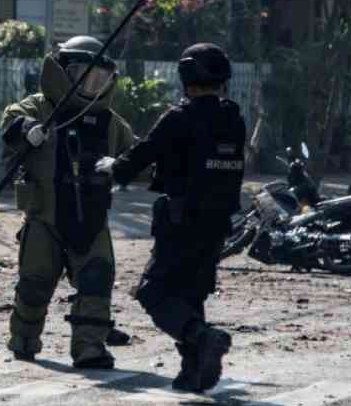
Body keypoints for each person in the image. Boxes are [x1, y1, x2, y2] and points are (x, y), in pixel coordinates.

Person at [95, 43, 245, 391]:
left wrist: (110, 167)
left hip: (181, 222)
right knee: (191, 295)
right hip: (217, 225)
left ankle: (202, 337)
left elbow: (140, 155)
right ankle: (193, 371)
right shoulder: (233, 118)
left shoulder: (179, 117)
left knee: (154, 293)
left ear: (186, 76)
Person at [1, 35, 136, 369]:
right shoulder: (39, 108)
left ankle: (90, 347)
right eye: (82, 75)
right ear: (60, 72)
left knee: (97, 278)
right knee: (35, 282)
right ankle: (24, 338)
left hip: (92, 220)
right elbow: (10, 123)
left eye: (98, 79)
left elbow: (137, 157)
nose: (90, 86)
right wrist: (27, 130)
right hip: (44, 217)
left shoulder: (112, 123)